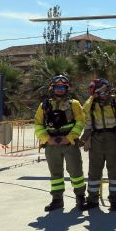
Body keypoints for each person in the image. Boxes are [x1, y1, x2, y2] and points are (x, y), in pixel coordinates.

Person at [34, 75, 86, 211]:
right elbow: (38, 124)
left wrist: (69, 137)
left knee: (76, 171)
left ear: (66, 89)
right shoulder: (44, 105)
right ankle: (57, 200)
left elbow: (81, 122)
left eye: (62, 87)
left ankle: (80, 198)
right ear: (53, 88)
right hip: (51, 145)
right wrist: (46, 139)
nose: (60, 90)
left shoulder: (74, 104)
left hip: (70, 144)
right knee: (55, 174)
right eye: (57, 87)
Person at [81, 78, 116, 211]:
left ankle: (114, 200)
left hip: (114, 138)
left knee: (114, 170)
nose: (103, 95)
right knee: (94, 170)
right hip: (97, 139)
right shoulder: (91, 104)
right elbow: (85, 112)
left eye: (105, 91)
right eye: (100, 93)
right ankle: (93, 200)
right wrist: (93, 97)